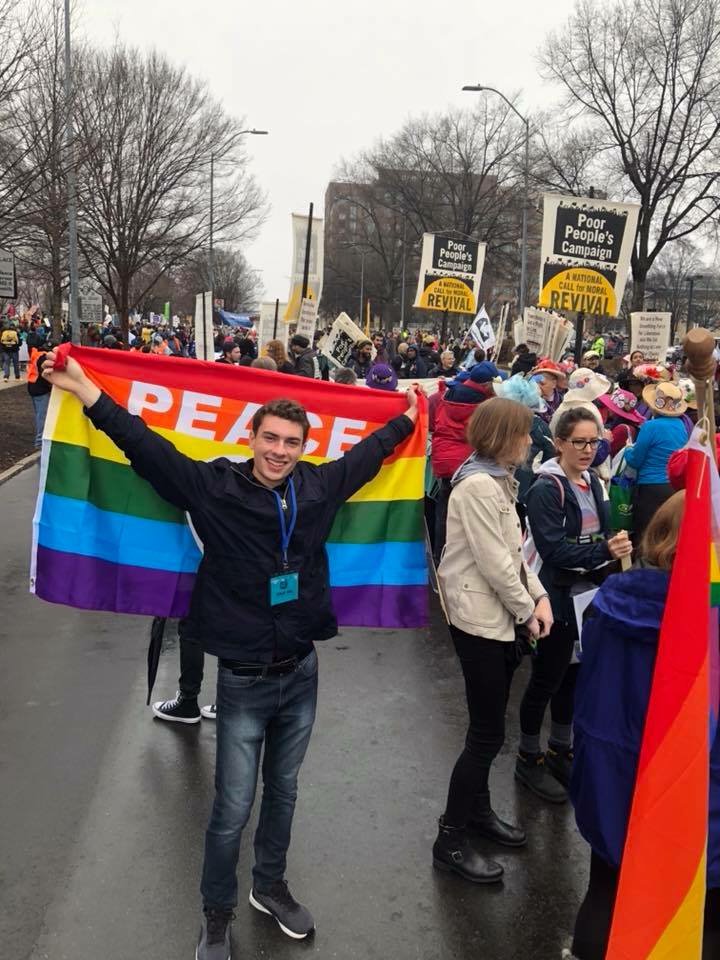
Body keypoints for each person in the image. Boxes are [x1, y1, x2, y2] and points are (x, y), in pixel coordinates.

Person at [42, 347, 419, 959]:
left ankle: (269, 887)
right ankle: (216, 915)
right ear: (252, 437)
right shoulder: (214, 487)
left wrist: (407, 417)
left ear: (303, 447)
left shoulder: (318, 488)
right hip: (243, 680)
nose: (279, 451)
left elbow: (368, 456)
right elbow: (144, 446)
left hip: (302, 672)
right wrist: (85, 389)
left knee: (286, 791)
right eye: (270, 438)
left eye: (291, 442)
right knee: (231, 809)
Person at [569, 492, 720, 960]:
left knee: (607, 890)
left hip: (611, 779)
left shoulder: (608, 601)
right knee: (703, 915)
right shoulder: (706, 621)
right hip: (692, 791)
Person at [435, 398, 553, 883]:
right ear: (504, 437)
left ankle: (478, 814)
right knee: (486, 735)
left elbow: (516, 554)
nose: (530, 441)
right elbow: (496, 565)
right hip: (481, 620)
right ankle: (450, 838)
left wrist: (538, 596)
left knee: (487, 729)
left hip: (497, 616)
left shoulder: (496, 477)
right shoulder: (480, 485)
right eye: (524, 433)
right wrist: (529, 611)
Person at [520, 408, 633, 803]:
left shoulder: (592, 481)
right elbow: (553, 550)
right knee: (546, 678)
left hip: (586, 595)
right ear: (560, 443)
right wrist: (604, 549)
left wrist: (616, 541)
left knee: (573, 676)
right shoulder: (545, 488)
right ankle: (527, 757)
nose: (588, 450)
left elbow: (600, 532)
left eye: (595, 442)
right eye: (580, 442)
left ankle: (558, 749)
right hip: (554, 597)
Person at [623, 381, 688, 542]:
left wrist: (627, 450)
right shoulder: (681, 425)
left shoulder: (650, 426)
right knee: (666, 536)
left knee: (645, 535)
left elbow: (635, 460)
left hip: (650, 488)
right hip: (673, 488)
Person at [596, 387, 646, 457]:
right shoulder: (631, 427)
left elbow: (605, 451)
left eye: (611, 406)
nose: (608, 408)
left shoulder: (622, 429)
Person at [26, 338, 52, 447]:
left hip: (32, 386)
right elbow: (45, 375)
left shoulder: (35, 354)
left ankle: (40, 439)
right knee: (42, 415)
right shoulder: (43, 357)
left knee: (39, 414)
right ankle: (40, 441)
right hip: (40, 389)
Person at [529, 358, 567, 425]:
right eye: (535, 383)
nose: (538, 387)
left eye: (542, 383)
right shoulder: (530, 400)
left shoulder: (563, 403)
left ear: (554, 384)